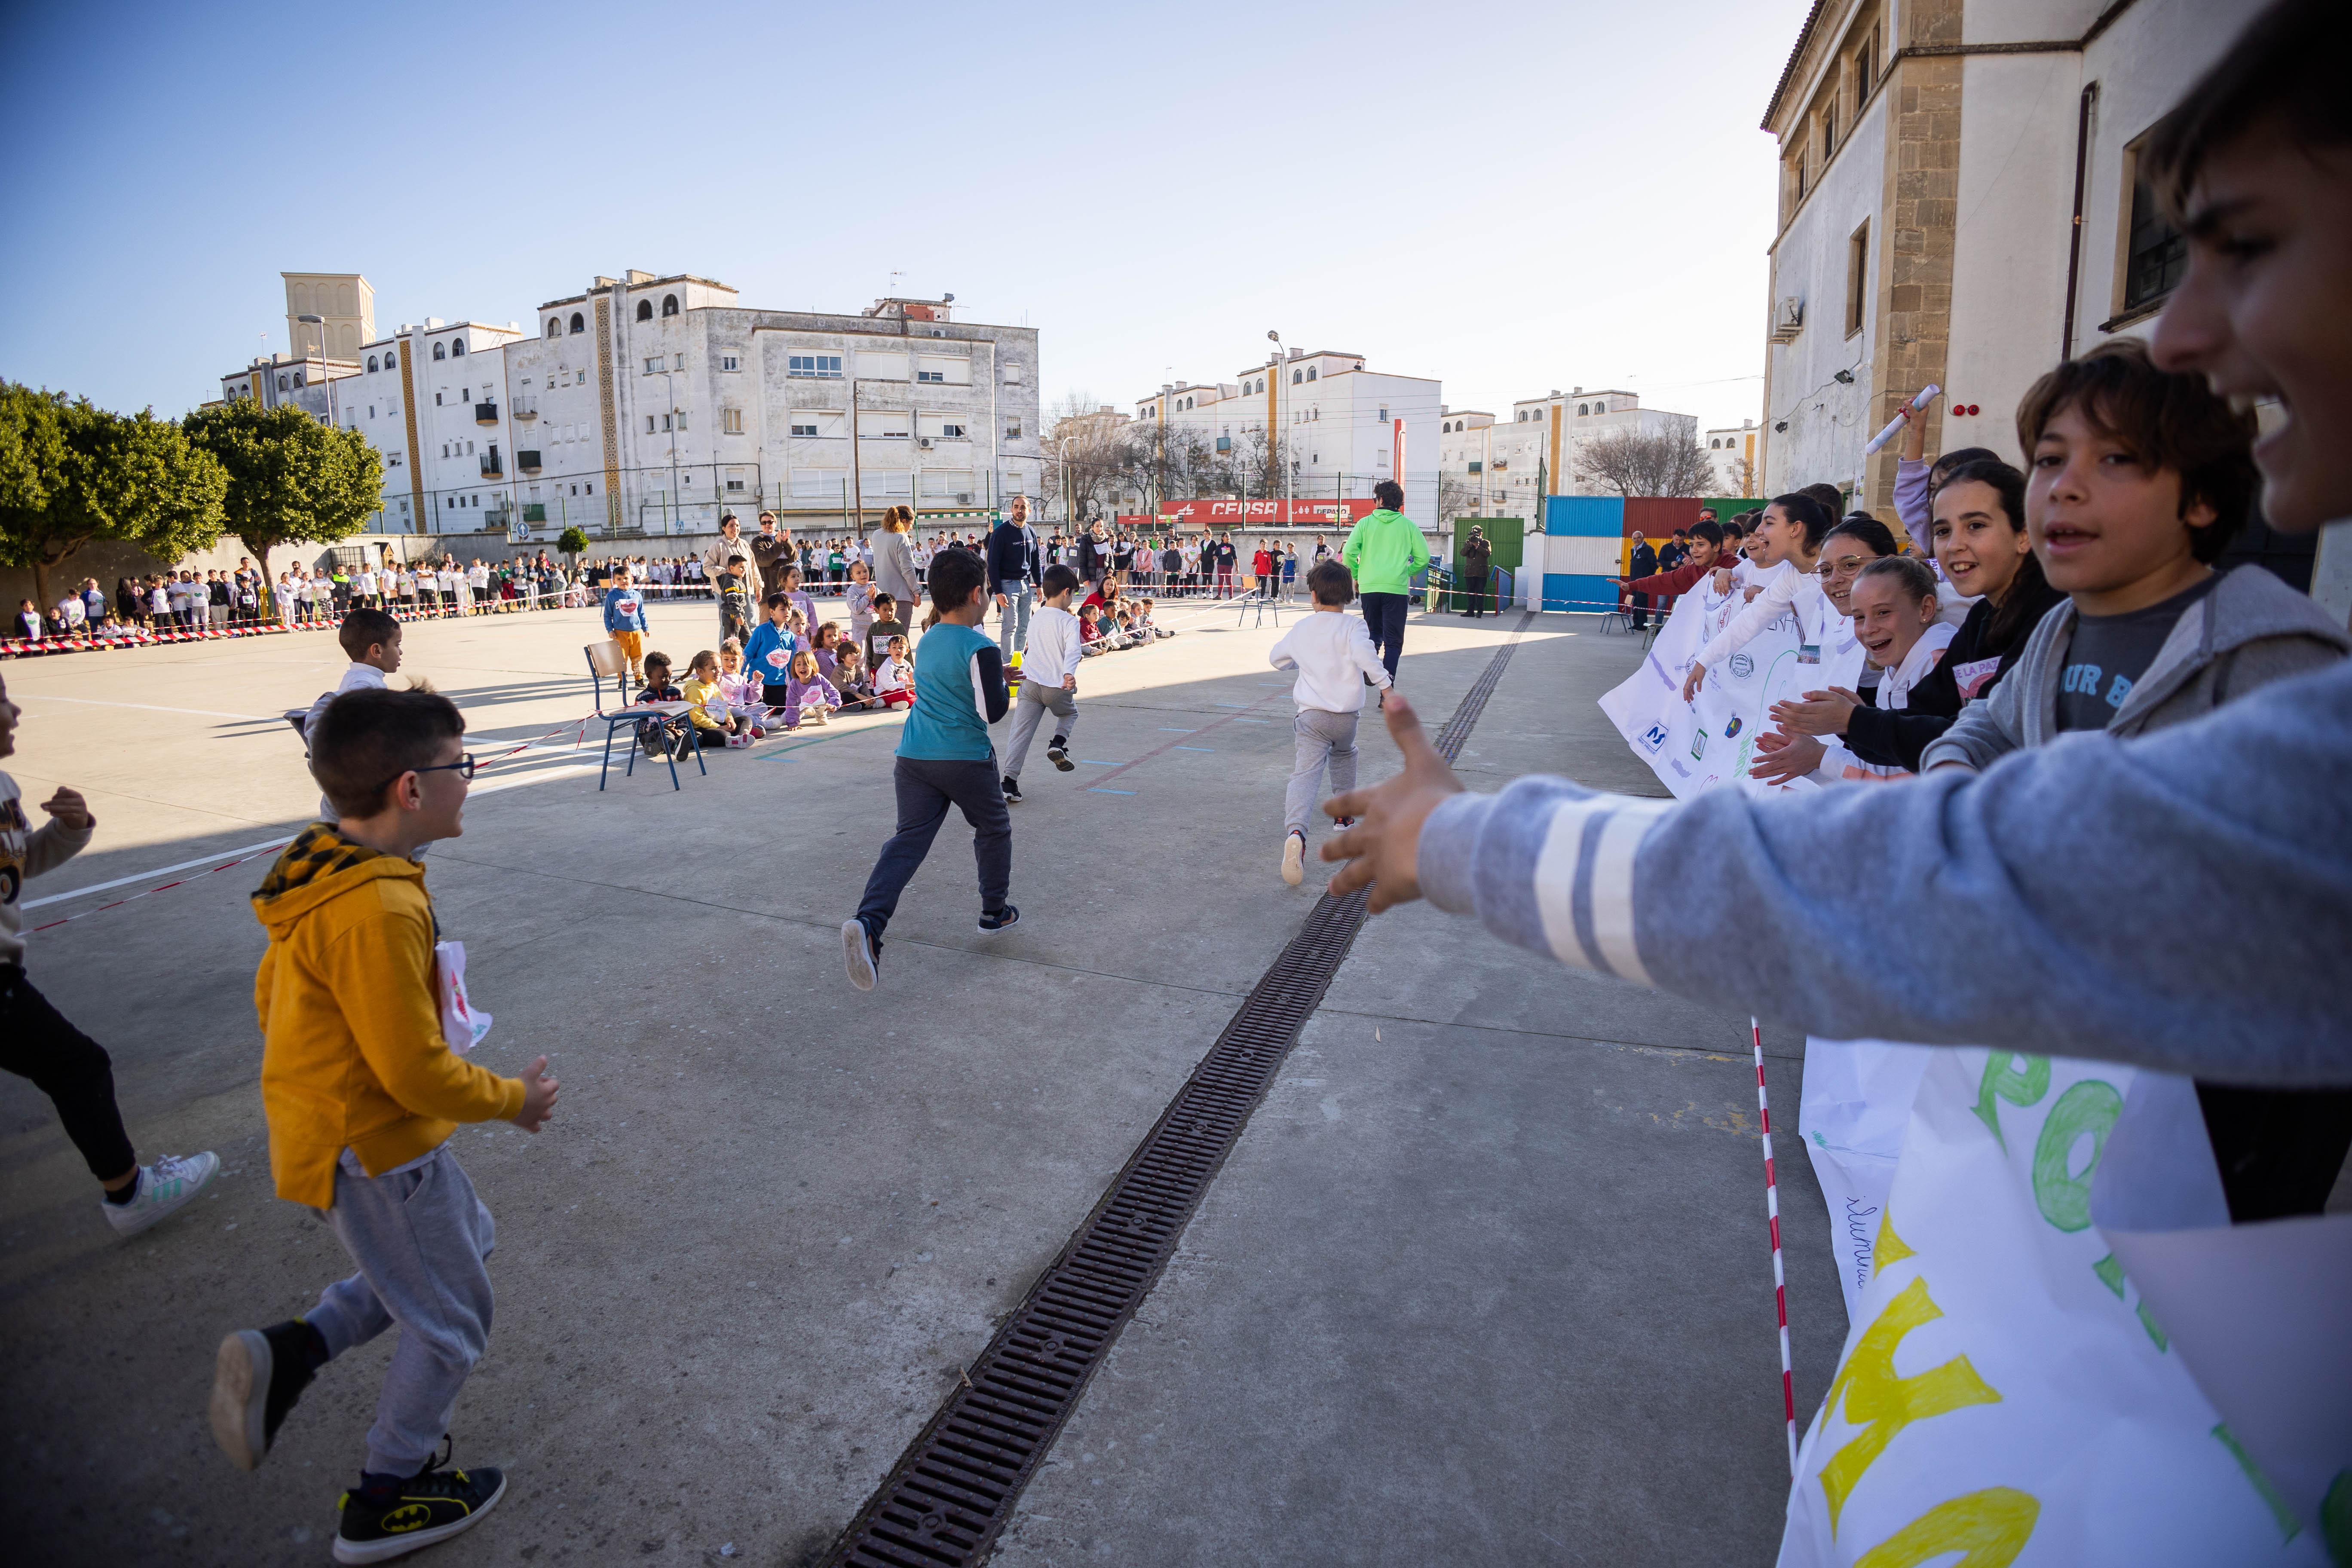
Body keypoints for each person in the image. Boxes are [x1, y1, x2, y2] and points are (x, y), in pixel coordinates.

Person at [211, 686, 557, 1562]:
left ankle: (294, 1350)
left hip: (339, 1129)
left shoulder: (324, 861)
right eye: (461, 767)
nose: (470, 781)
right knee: (451, 1322)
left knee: (466, 1243)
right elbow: (413, 1072)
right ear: (411, 789)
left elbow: (271, 997)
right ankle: (385, 1497)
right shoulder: (379, 906)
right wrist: (512, 1100)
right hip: (374, 1147)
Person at [0, 670, 221, 1234]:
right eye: (3, 702)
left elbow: (12, 874)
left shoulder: (3, 788)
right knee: (78, 1064)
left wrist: (68, 831)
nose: (16, 712)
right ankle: (129, 1194)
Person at [842, 548, 1015, 991]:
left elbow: (947, 682)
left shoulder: (931, 636)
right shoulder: (983, 646)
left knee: (908, 841)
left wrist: (993, 679)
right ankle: (994, 912)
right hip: (964, 759)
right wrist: (1005, 682)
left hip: (914, 755)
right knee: (993, 827)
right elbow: (991, 712)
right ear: (979, 595)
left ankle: (869, 924)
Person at [1270, 560, 1390, 886]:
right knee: (1345, 755)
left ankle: (1296, 832)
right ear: (1349, 593)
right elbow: (1368, 659)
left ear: (1313, 595)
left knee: (1305, 775)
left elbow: (1276, 659)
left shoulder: (1303, 628)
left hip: (1311, 718)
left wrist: (1303, 662)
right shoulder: (1354, 627)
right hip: (1345, 719)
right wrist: (1387, 687)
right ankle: (1343, 817)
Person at [1001, 565, 1084, 805]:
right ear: (1066, 592)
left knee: (1020, 734)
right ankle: (1058, 744)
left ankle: (1009, 782)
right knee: (1069, 714)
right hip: (1055, 686)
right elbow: (1073, 650)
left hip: (1029, 683)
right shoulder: (1069, 621)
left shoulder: (1036, 616)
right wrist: (1069, 673)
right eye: (1073, 595)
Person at [1341, 481, 1431, 685]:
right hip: (1396, 589)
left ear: (1380, 500)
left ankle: (1369, 670)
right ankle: (1386, 688)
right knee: (1394, 641)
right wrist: (1407, 571)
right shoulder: (1409, 526)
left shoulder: (1365, 524)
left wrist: (1358, 575)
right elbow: (1423, 559)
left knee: (1373, 634)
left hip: (1370, 587)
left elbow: (1348, 553)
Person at [989, 497, 1043, 667]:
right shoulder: (1001, 533)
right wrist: (998, 591)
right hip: (1007, 585)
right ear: (1012, 510)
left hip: (1026, 585)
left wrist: (1040, 585)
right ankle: (1007, 665)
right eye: (1016, 507)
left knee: (1024, 626)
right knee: (1010, 625)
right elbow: (992, 565)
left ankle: (1019, 662)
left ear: (1029, 511)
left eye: (1023, 507)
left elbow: (1035, 561)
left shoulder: (1031, 532)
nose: (1019, 510)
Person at [602, 566, 649, 686]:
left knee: (637, 657)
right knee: (621, 658)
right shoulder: (612, 596)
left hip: (636, 631)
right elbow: (607, 615)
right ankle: (622, 680)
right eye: (619, 579)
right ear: (614, 582)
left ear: (632, 579)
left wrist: (645, 628)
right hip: (620, 633)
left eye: (626, 578)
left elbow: (641, 613)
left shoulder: (637, 595)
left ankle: (639, 678)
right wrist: (610, 630)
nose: (623, 581)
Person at [782, 649, 839, 729]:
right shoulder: (794, 684)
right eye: (798, 664)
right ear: (794, 668)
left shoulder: (818, 678)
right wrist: (793, 723)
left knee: (824, 698)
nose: (802, 667)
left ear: (813, 666)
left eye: (806, 664)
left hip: (820, 703)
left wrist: (833, 704)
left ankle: (821, 715)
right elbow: (791, 704)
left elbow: (834, 692)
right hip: (801, 705)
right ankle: (807, 712)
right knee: (784, 719)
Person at [864, 593, 907, 671]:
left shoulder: (899, 627)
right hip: (878, 668)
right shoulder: (874, 628)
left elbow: (906, 649)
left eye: (892, 610)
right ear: (877, 610)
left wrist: (910, 668)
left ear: (896, 610)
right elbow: (869, 650)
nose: (889, 613)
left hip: (896, 670)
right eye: (885, 610)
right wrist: (870, 666)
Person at [716, 554, 751, 645]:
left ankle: (745, 658)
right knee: (732, 642)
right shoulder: (732, 583)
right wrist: (738, 614)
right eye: (741, 568)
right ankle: (730, 659)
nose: (744, 570)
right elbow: (733, 601)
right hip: (732, 617)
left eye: (745, 567)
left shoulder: (737, 581)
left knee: (748, 640)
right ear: (732, 568)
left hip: (740, 615)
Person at [1620, 531, 1653, 628]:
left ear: (1643, 538)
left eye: (1638, 538)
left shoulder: (1648, 549)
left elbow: (1653, 564)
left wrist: (1647, 577)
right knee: (1635, 601)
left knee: (1642, 601)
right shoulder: (1633, 550)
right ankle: (1636, 623)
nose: (1637, 540)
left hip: (1643, 581)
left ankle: (1643, 624)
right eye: (1634, 539)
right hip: (1634, 581)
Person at [1463, 525, 1496, 619]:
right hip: (1470, 572)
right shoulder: (1468, 542)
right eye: (1473, 534)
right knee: (1470, 592)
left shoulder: (1485, 543)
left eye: (1477, 533)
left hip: (1481, 573)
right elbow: (1463, 553)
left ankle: (1480, 612)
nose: (1475, 536)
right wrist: (1470, 545)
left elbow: (1488, 554)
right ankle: (1470, 612)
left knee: (1480, 592)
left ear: (1481, 533)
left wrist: (1478, 546)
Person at [873, 635, 915, 710]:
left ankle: (897, 705)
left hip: (903, 690)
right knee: (904, 694)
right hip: (887, 693)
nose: (898, 650)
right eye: (894, 648)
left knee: (920, 691)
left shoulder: (907, 664)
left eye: (901, 648)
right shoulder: (887, 666)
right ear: (889, 651)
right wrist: (907, 687)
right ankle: (915, 701)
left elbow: (911, 684)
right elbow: (889, 686)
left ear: (907, 651)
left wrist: (911, 681)